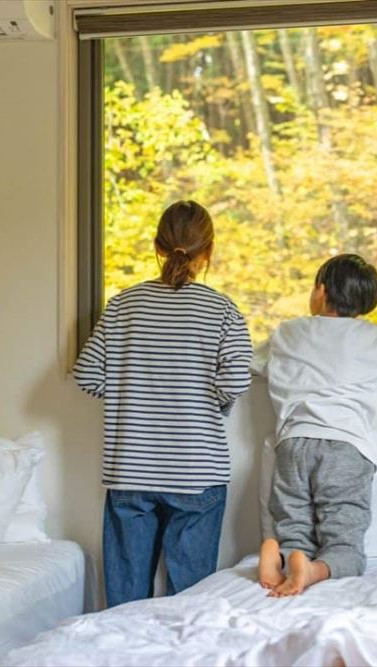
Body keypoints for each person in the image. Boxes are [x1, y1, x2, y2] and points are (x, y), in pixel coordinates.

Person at [73, 200, 252, 607]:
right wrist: (211, 402)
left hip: (129, 470)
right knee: (188, 604)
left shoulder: (122, 305)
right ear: (207, 251)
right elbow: (237, 379)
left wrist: (126, 394)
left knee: (124, 603)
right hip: (197, 468)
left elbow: (86, 374)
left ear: (158, 245)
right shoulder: (221, 309)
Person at [252, 253, 377, 597]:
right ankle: (313, 571)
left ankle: (279, 555)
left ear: (321, 291)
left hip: (293, 444)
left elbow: (253, 362)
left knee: (294, 531)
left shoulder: (288, 333)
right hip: (344, 449)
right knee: (345, 544)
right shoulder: (372, 339)